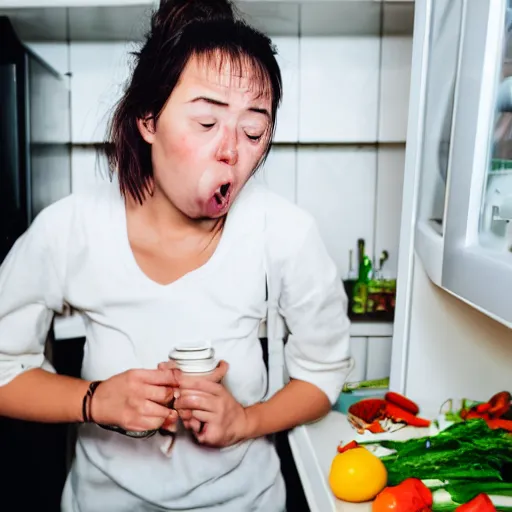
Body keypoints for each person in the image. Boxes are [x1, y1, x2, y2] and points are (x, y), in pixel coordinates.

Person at [0, 0, 352, 510]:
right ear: (149, 119)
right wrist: (94, 399)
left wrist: (246, 421)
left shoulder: (286, 233)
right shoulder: (70, 228)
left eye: (254, 131)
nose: (231, 149)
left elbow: (323, 373)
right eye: (207, 123)